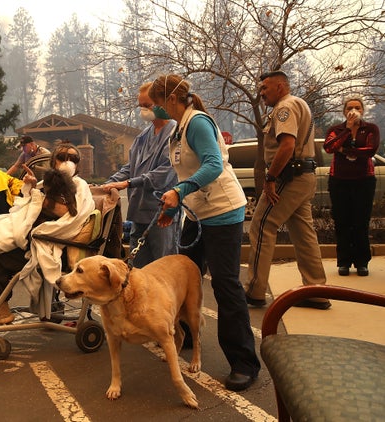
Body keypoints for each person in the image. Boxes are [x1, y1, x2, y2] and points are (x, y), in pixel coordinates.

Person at [149, 74, 261, 392]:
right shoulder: (178, 129)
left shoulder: (197, 123)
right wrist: (173, 205)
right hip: (197, 214)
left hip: (224, 213)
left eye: (155, 104)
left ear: (171, 99)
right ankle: (184, 337)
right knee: (182, 276)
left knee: (225, 286)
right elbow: (187, 172)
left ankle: (244, 362)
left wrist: (181, 189)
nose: (153, 110)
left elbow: (212, 164)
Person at [0, 142, 95, 327]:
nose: (68, 161)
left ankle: (0, 309)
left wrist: (39, 200)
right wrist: (32, 188)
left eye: (73, 158)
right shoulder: (45, 182)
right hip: (33, 237)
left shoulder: (79, 185)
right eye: (62, 157)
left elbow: (72, 217)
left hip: (52, 243)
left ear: (78, 164)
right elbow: (23, 205)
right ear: (53, 161)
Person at [245, 70, 330, 310]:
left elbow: (287, 145)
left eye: (265, 88)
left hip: (288, 177)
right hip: (304, 176)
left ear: (281, 87)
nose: (261, 93)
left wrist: (271, 177)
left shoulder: (285, 107)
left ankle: (254, 291)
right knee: (304, 234)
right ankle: (317, 291)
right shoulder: (299, 103)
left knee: (261, 225)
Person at [103, 82, 178, 268]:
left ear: (162, 103)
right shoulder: (143, 136)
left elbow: (164, 174)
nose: (143, 110)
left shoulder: (176, 133)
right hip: (139, 213)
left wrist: (128, 183)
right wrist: (107, 184)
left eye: (148, 105)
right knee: (137, 270)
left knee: (163, 268)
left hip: (161, 213)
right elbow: (131, 167)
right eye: (141, 106)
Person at [324, 96, 381, 276]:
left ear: (362, 110)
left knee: (360, 222)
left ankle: (362, 262)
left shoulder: (370, 129)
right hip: (339, 180)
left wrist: (344, 150)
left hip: (364, 180)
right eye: (350, 107)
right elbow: (329, 146)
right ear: (344, 111)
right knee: (342, 221)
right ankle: (344, 262)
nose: (353, 110)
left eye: (357, 107)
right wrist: (347, 131)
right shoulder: (337, 129)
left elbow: (370, 150)